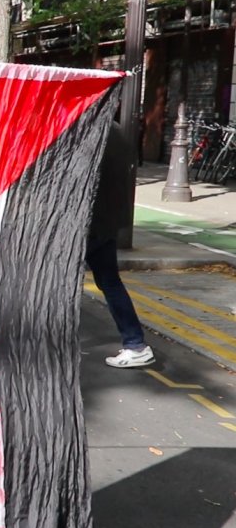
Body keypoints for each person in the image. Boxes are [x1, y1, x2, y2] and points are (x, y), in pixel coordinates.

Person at [86, 126, 155, 368]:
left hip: (86, 223)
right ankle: (135, 344)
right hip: (105, 221)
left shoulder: (86, 128)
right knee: (109, 282)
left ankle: (46, 345)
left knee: (52, 283)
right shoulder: (115, 130)